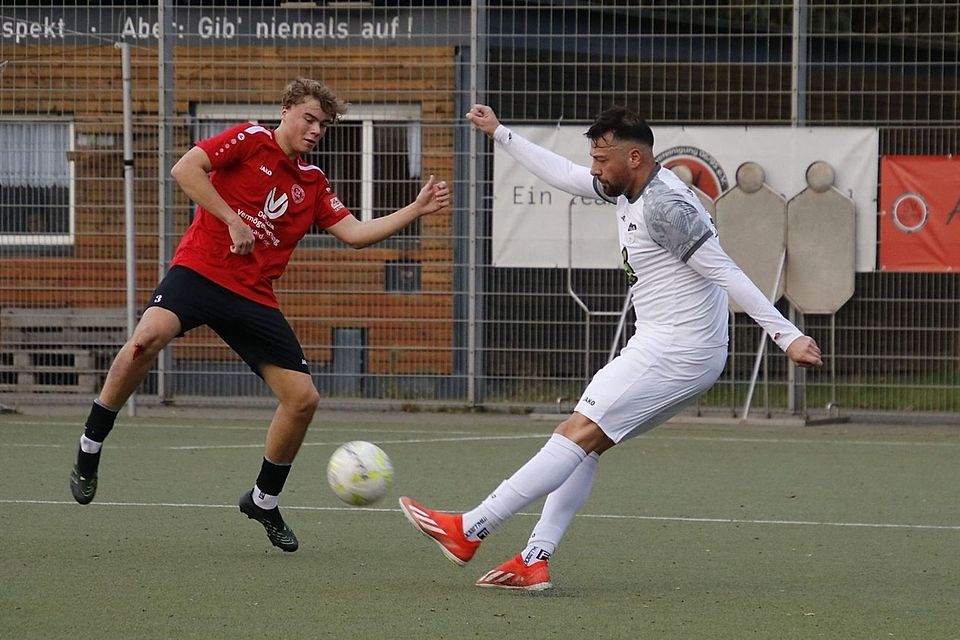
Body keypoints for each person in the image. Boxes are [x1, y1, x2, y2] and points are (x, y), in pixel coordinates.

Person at [398, 104, 822, 590]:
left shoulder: (666, 206)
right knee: (588, 445)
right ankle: (533, 559)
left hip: (676, 351)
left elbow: (726, 272)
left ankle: (470, 529)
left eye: (602, 159)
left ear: (636, 157)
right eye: (594, 159)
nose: (595, 169)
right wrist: (500, 133)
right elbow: (566, 175)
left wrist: (785, 335)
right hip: (670, 347)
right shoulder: (628, 186)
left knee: (575, 433)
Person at [69, 78, 451, 552]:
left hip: (252, 296)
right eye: (309, 119)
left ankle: (263, 499)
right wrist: (232, 219)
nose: (315, 130)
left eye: (323, 125)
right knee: (145, 341)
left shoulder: (313, 183)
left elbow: (355, 234)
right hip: (199, 271)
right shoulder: (251, 139)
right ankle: (90, 447)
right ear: (286, 110)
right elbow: (186, 169)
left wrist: (415, 208)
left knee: (303, 399)